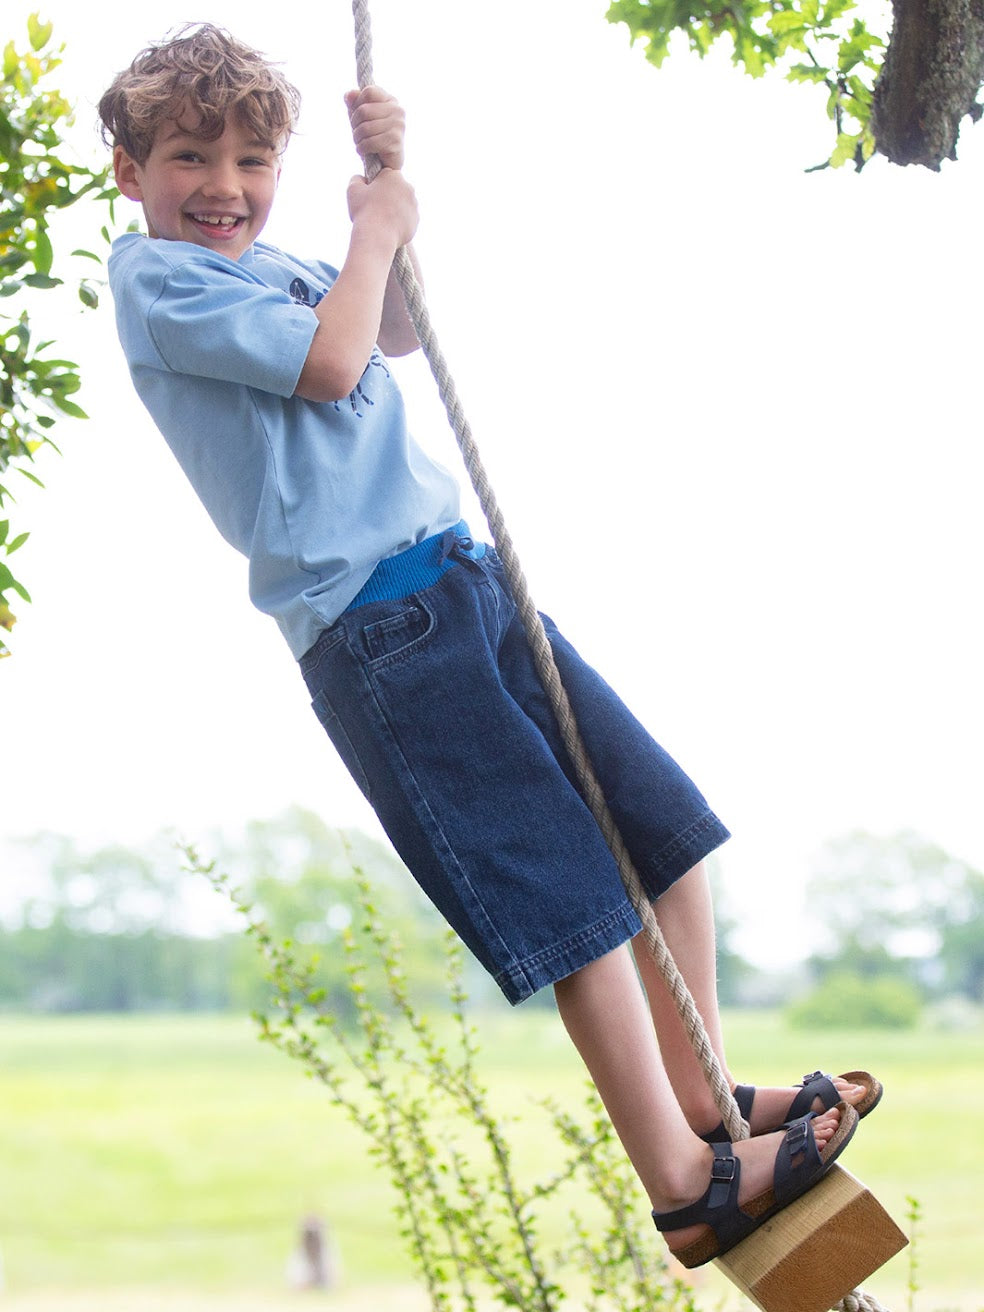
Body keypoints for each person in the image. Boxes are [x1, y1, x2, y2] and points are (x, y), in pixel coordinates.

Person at [98, 23, 879, 1268]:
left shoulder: (289, 261)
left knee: (668, 842)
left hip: (471, 584)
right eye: (191, 156)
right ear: (131, 169)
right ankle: (684, 1184)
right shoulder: (156, 283)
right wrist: (373, 229)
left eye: (252, 159)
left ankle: (708, 1102)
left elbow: (393, 329)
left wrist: (393, 207)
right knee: (574, 907)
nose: (224, 187)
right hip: (381, 630)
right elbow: (335, 360)